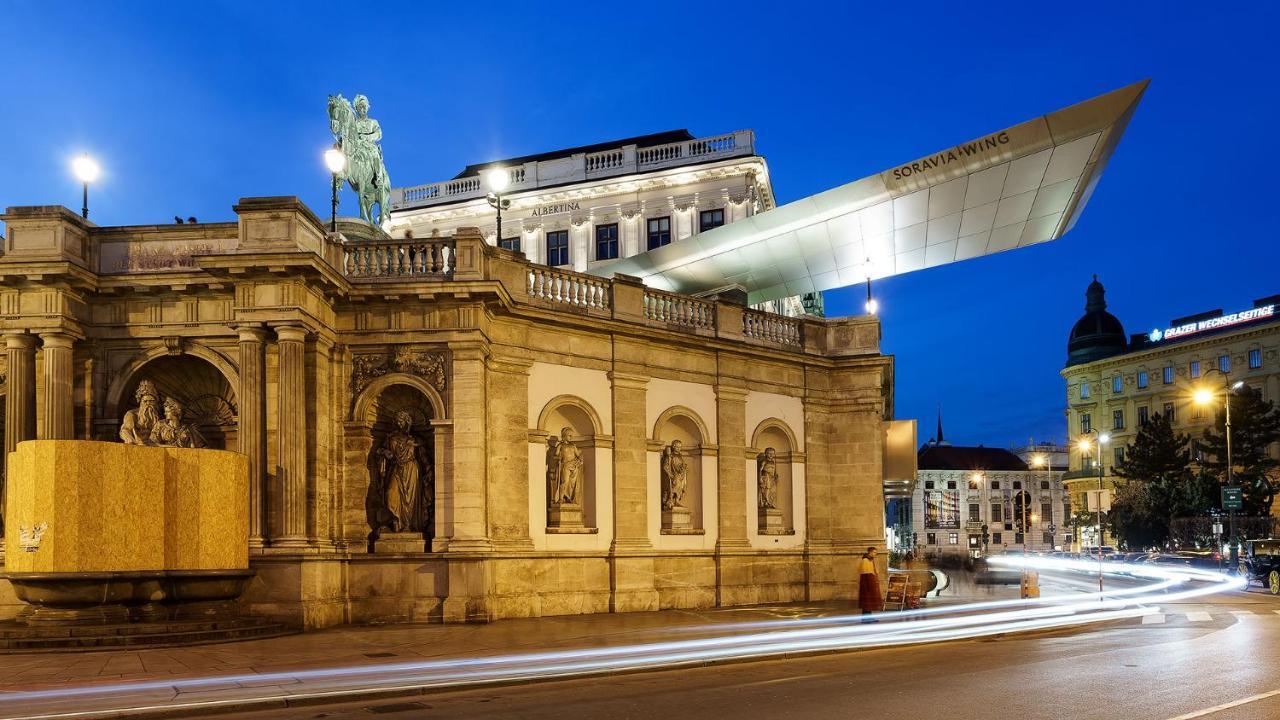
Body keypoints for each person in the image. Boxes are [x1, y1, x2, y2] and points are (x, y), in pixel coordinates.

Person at [858, 546, 883, 622]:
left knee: (869, 601)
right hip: (867, 585)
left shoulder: (870, 560)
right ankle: (865, 619)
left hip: (870, 584)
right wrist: (871, 584)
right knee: (867, 601)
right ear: (870, 552)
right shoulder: (865, 560)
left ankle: (868, 617)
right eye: (874, 552)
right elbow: (866, 574)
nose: (876, 554)